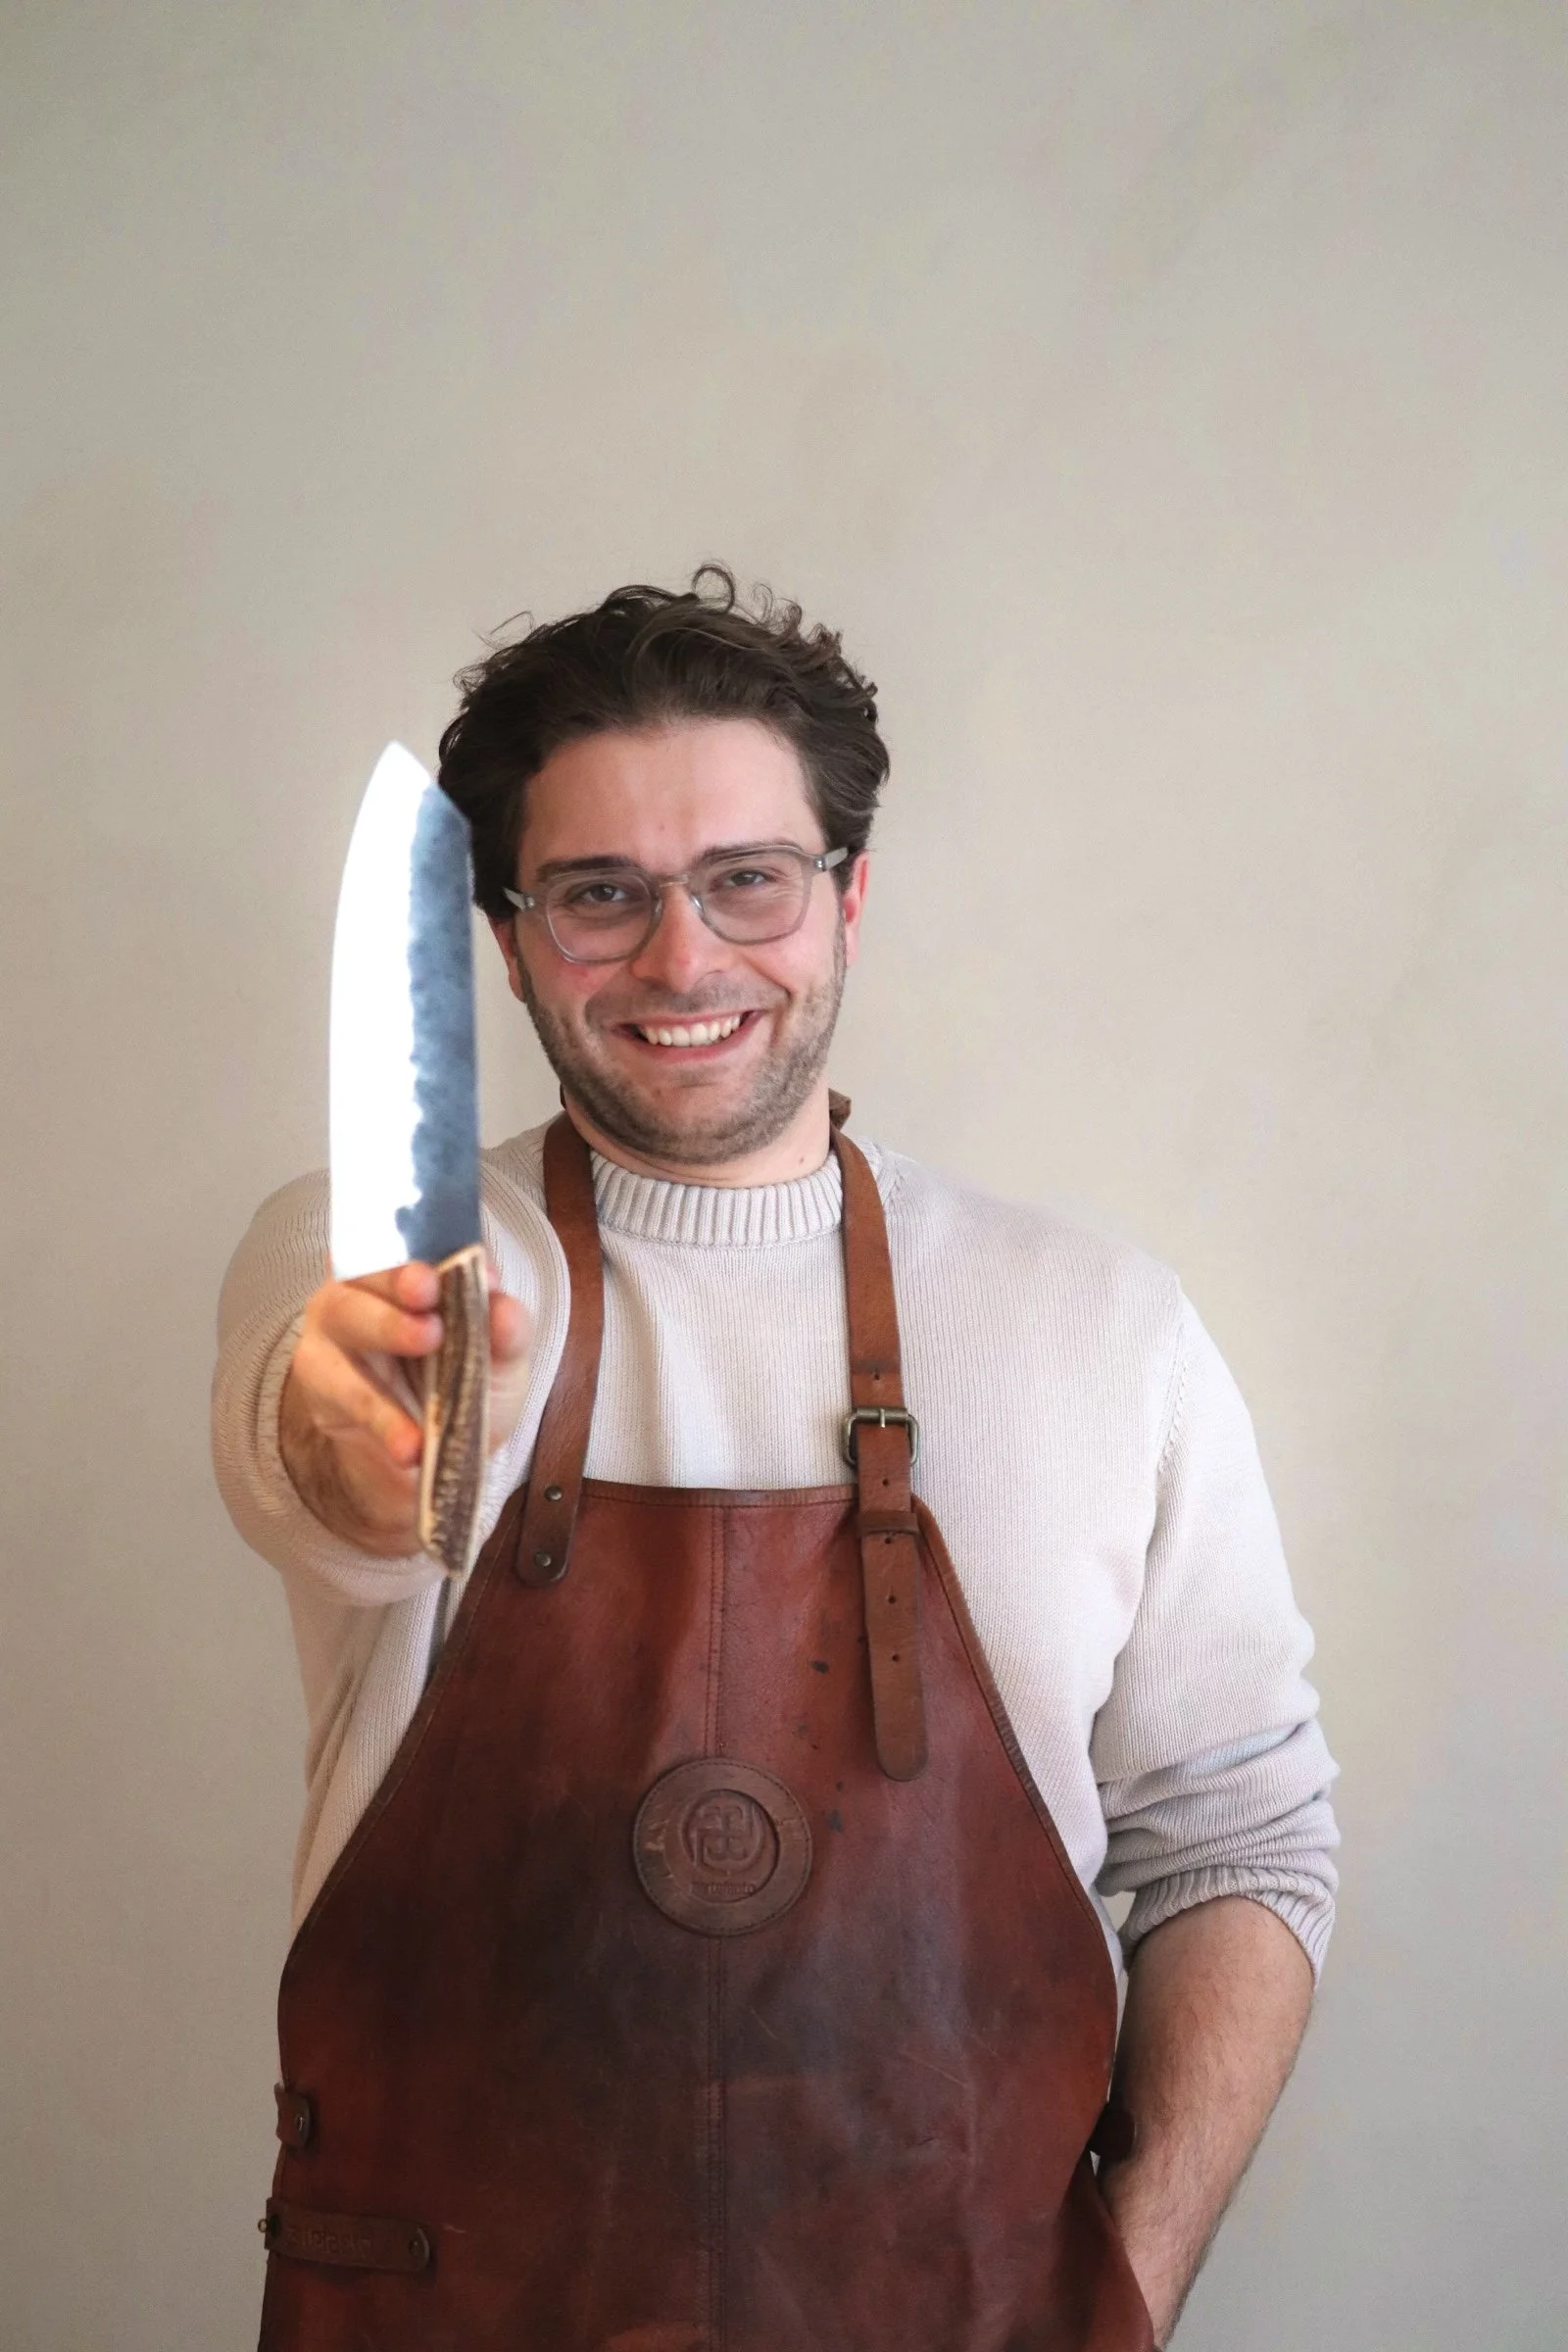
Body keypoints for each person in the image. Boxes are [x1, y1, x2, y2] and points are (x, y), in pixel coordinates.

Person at [213, 567, 1338, 2350]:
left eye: (747, 879)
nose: (682, 958)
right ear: (506, 940)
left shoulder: (1099, 1326)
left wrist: (1127, 2281)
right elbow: (322, 1455)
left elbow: (1240, 1836)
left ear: (847, 901)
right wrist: (360, 1455)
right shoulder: (398, 1262)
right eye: (599, 895)